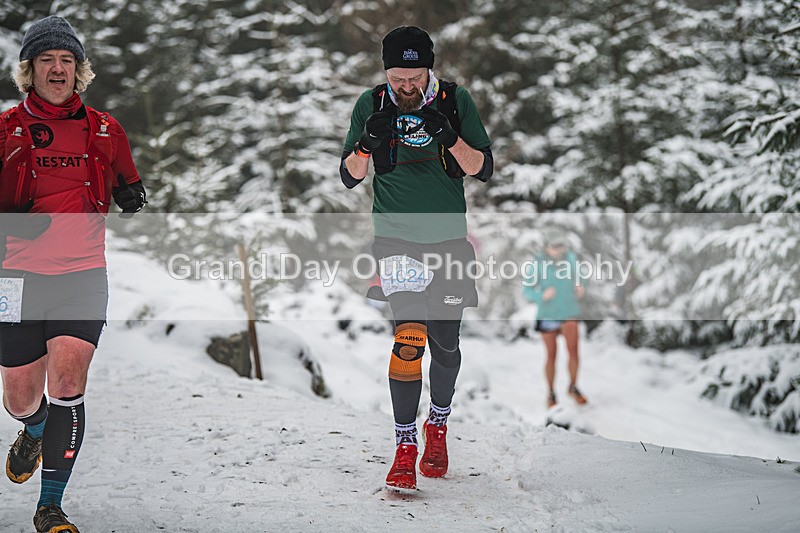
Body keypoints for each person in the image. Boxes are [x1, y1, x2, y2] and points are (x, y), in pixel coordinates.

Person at [0, 16, 146, 532]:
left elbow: (128, 180)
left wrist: (130, 194)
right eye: (47, 60)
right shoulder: (5, 129)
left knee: (67, 381)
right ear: (30, 70)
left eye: (67, 60)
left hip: (82, 273)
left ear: (79, 69)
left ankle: (50, 507)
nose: (58, 68)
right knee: (19, 396)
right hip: (17, 277)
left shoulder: (106, 129)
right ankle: (35, 428)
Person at [340, 25, 493, 490]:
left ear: (430, 69)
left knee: (445, 345)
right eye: (397, 78)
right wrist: (365, 145)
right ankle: (404, 445)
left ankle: (437, 426)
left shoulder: (454, 100)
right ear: (386, 72)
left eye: (415, 77)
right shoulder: (370, 103)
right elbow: (349, 175)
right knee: (409, 338)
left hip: (449, 243)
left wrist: (450, 136)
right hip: (396, 242)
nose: (406, 86)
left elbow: (482, 168)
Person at [522, 228, 588, 408]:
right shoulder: (538, 264)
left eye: (561, 246)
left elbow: (581, 278)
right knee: (551, 355)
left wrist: (580, 286)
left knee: (574, 352)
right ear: (546, 247)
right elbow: (527, 290)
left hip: (569, 312)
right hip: (548, 314)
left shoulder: (571, 259)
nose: (558, 249)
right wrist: (541, 295)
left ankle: (573, 387)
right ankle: (551, 393)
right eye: (554, 246)